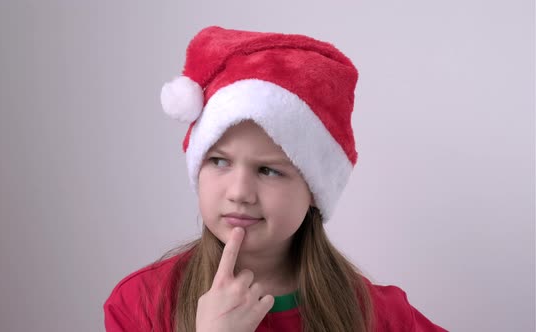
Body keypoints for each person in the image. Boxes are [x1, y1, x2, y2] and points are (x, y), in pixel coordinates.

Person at [103, 26, 447, 332]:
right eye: (220, 161)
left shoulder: (376, 315)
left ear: (314, 189)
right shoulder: (141, 305)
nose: (239, 193)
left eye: (268, 170)